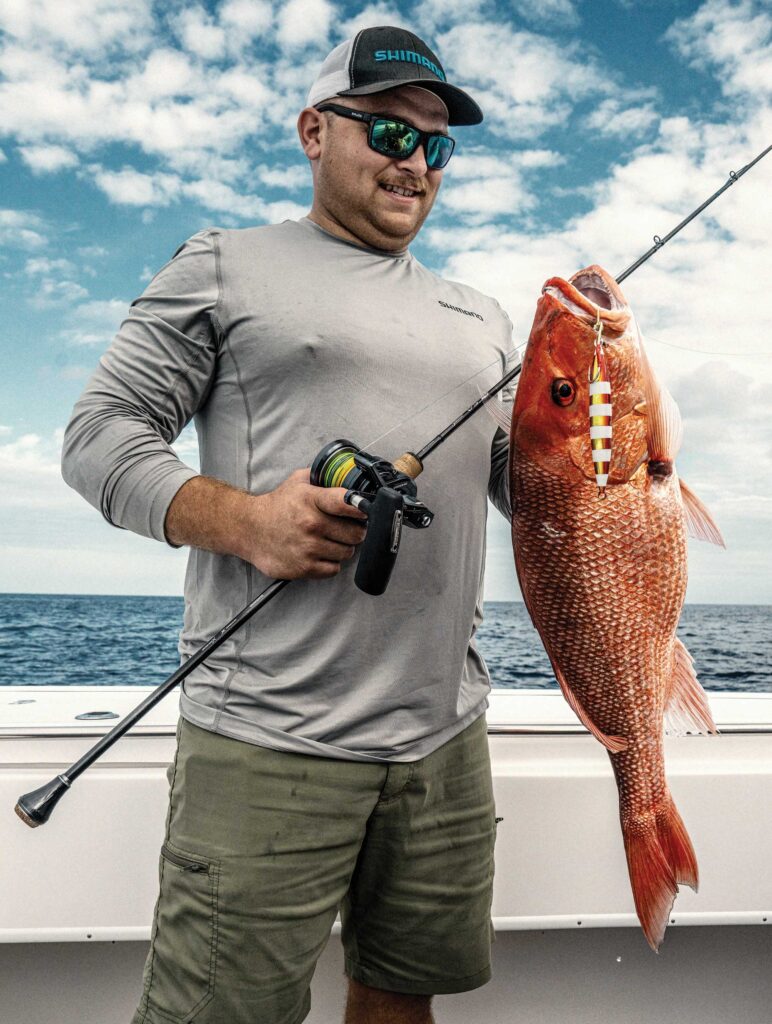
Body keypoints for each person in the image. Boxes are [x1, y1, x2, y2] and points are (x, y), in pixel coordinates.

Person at [62, 25, 512, 1024]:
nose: (415, 162)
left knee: (401, 998)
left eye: (437, 145)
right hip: (269, 735)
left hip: (442, 737)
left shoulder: (482, 316)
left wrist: (612, 409)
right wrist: (245, 520)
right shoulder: (226, 263)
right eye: (390, 132)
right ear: (315, 131)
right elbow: (97, 436)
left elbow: (533, 490)